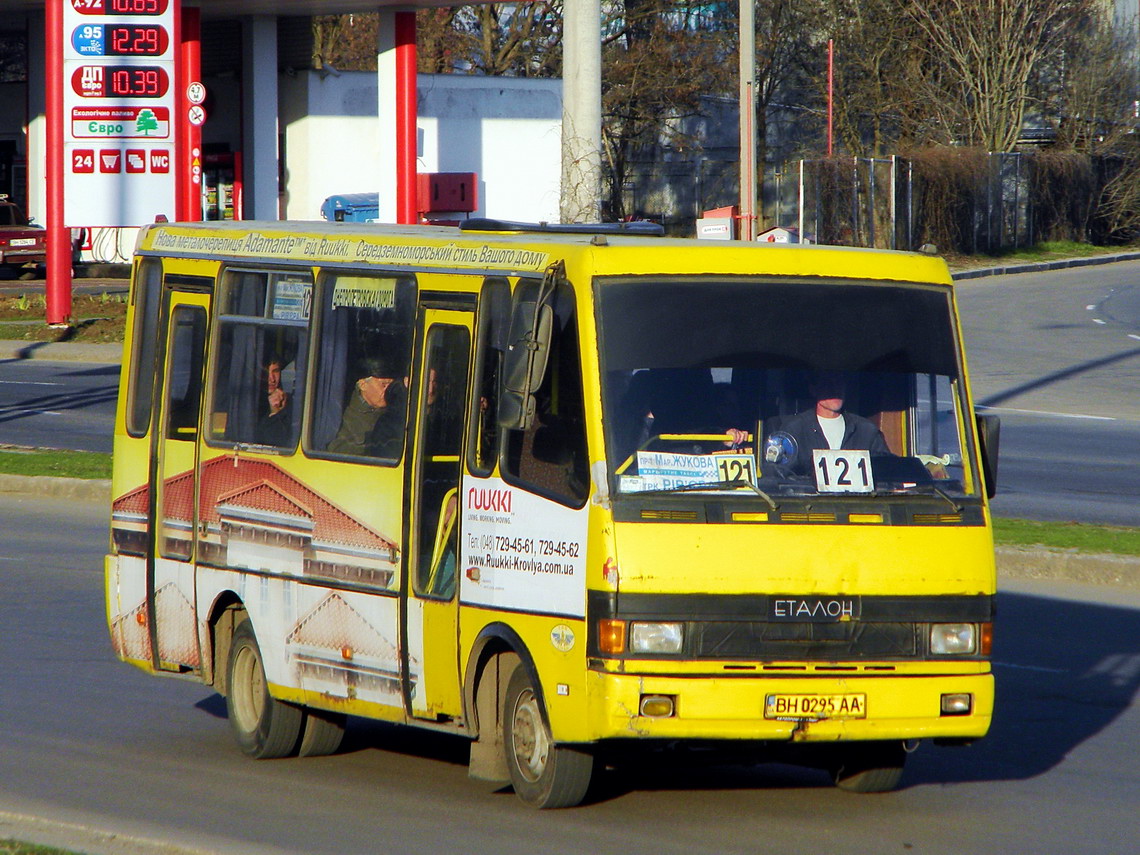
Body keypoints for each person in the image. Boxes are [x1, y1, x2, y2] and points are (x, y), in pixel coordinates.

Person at [768, 370, 889, 473]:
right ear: (813, 389)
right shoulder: (794, 429)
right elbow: (779, 473)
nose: (835, 389)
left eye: (839, 382)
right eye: (828, 383)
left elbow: (886, 471)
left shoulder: (866, 430)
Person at [327, 356, 408, 458]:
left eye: (391, 385)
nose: (388, 391)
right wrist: (375, 445)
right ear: (363, 384)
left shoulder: (397, 411)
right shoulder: (344, 414)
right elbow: (335, 450)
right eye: (383, 385)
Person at [254, 354, 293, 446]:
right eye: (266, 372)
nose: (271, 379)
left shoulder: (290, 403)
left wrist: (276, 413)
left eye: (275, 371)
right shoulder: (249, 402)